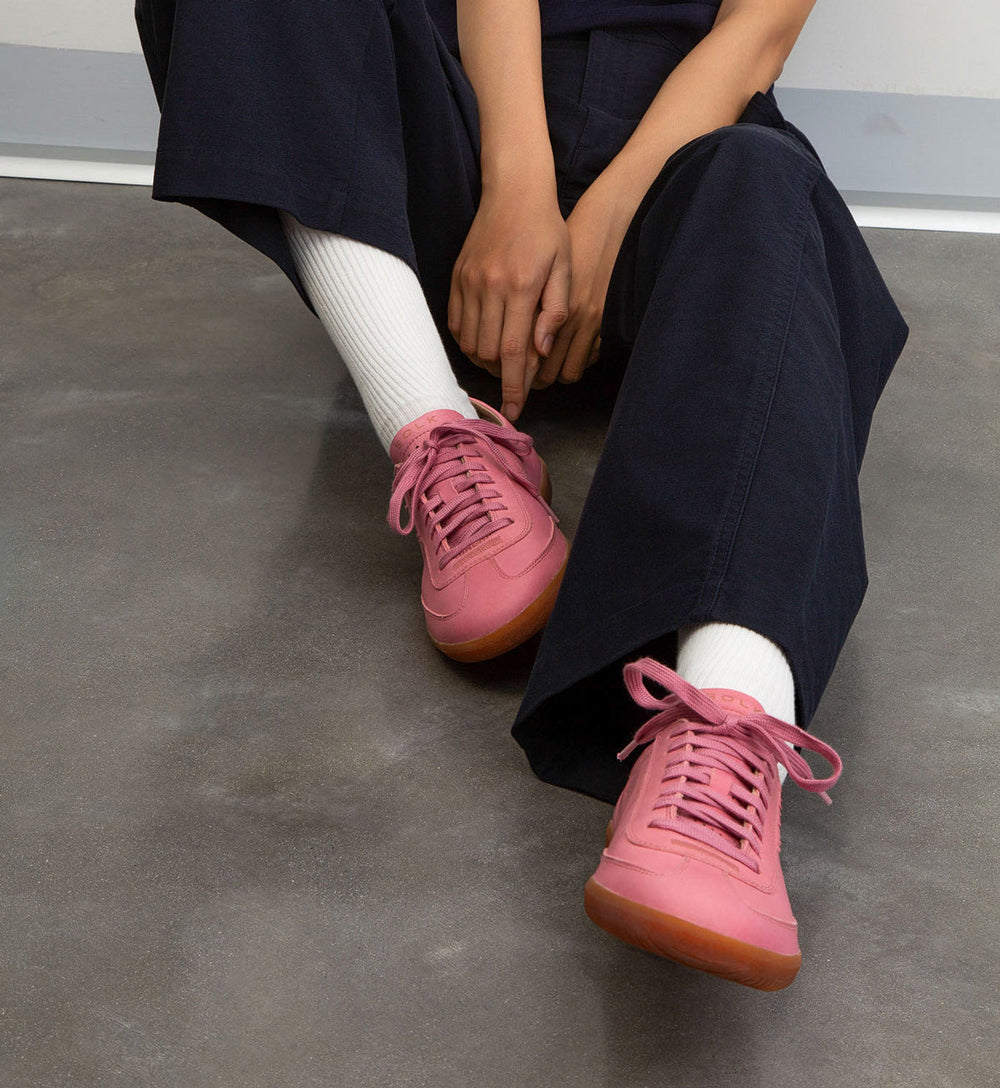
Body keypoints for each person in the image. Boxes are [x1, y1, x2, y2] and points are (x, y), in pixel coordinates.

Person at [134, 0, 909, 990]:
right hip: (467, 162)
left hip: (675, 167)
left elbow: (754, 35)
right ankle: (436, 429)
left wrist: (609, 214)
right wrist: (517, 191)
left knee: (768, 184)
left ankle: (721, 736)